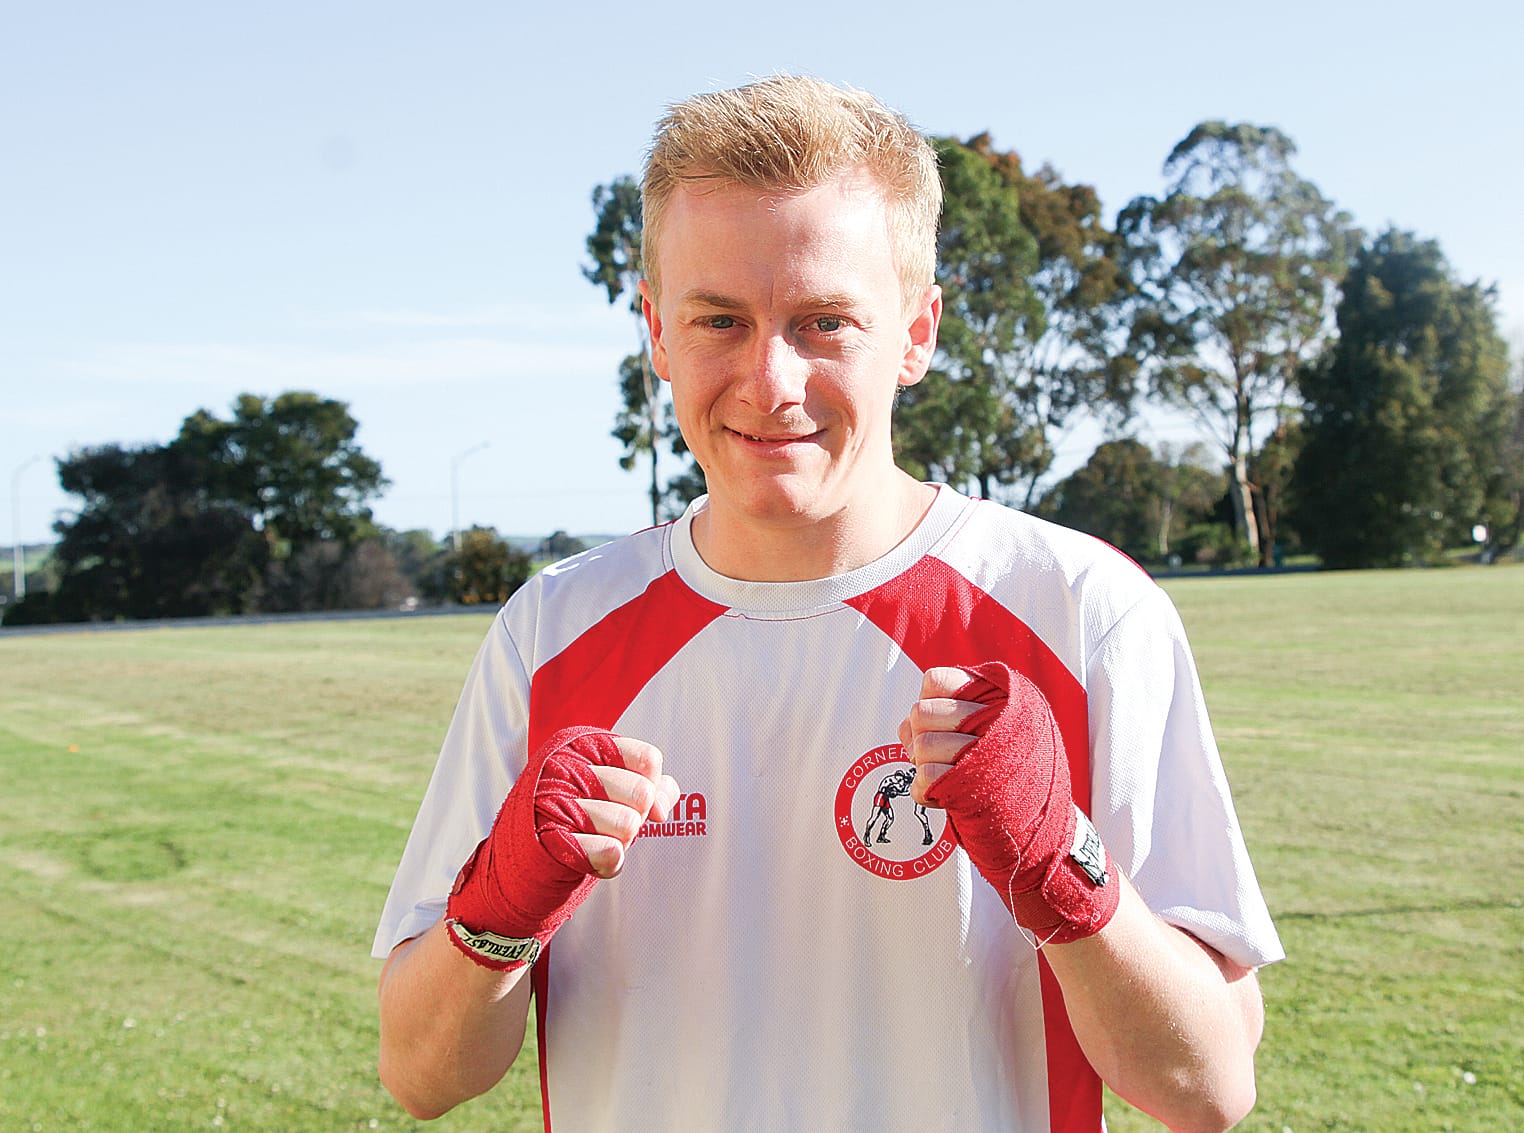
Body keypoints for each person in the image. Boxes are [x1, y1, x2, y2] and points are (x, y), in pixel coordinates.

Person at [372, 75, 1283, 1132]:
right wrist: (500, 905)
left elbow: (1208, 1086)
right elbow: (422, 1072)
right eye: (720, 319)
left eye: (823, 321)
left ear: (916, 333)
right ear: (658, 333)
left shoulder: (1081, 611)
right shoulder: (551, 632)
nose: (770, 380)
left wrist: (1059, 864)